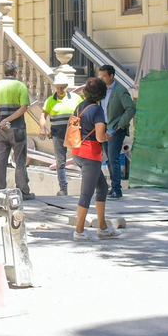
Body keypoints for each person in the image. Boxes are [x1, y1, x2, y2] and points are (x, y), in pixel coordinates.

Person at [71, 77, 110, 240]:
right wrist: (108, 136)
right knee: (86, 193)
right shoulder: (97, 110)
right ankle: (79, 230)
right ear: (101, 94)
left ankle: (103, 227)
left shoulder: (80, 107)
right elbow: (100, 137)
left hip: (77, 151)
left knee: (102, 187)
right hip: (91, 155)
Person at [0, 60, 34, 200]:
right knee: (20, 160)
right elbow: (24, 107)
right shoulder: (21, 87)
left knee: (1, 160)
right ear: (15, 72)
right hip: (18, 128)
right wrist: (10, 119)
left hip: (1, 130)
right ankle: (23, 192)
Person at [42, 72, 82, 196]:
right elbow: (43, 115)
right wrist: (42, 129)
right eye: (57, 87)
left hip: (73, 134)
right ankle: (63, 188)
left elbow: (83, 112)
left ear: (66, 86)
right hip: (57, 134)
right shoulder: (50, 100)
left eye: (62, 87)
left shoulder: (76, 98)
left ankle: (91, 184)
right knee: (60, 161)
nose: (59, 90)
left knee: (80, 159)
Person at [100, 66, 136, 199]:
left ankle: (117, 189)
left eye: (104, 76)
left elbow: (131, 108)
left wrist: (120, 125)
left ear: (111, 76)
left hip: (114, 129)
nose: (102, 78)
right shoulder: (101, 90)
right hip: (103, 129)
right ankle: (113, 187)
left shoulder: (120, 90)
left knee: (114, 158)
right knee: (108, 159)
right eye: (100, 76)